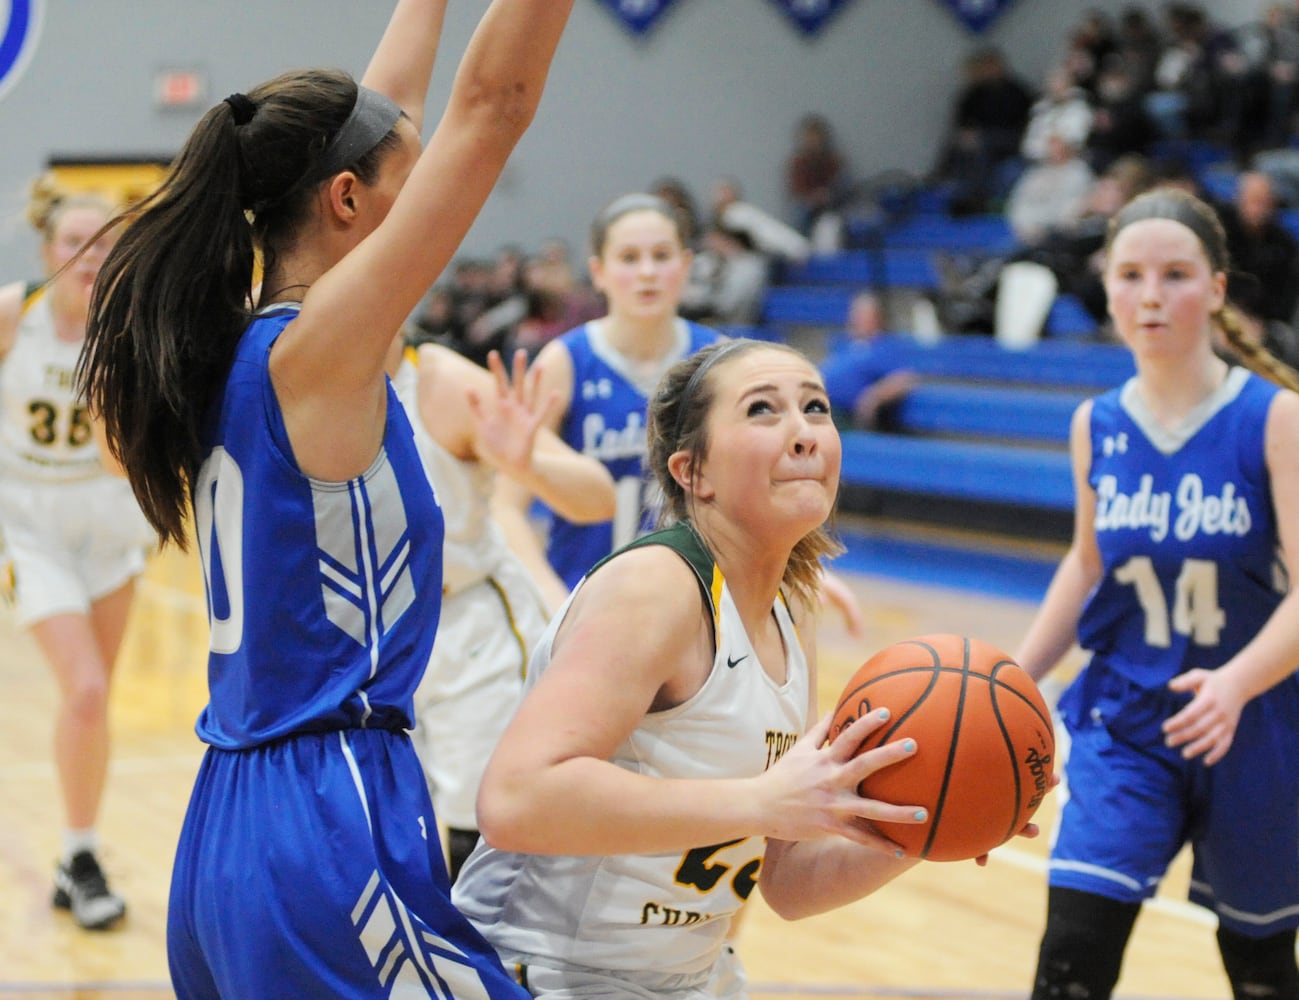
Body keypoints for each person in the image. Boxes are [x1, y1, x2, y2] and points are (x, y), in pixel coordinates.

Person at [76, 0, 574, 994]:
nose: (432, 189)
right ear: (346, 200)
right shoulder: (318, 357)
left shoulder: (249, 352)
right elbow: (496, 104)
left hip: (233, 823)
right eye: (413, 176)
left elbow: (389, 111)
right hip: (326, 813)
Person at [453, 338, 935, 997]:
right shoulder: (656, 586)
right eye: (762, 410)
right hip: (540, 971)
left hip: (686, 977)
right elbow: (516, 800)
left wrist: (932, 822)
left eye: (816, 407)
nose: (802, 432)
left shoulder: (792, 607)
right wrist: (759, 800)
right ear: (692, 472)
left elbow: (788, 884)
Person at [1014, 188, 1299, 1000]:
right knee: (1070, 955)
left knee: (1261, 971)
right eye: (1129, 274)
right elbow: (1085, 564)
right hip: (1125, 719)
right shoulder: (1094, 423)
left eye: (1173, 275)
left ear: (1214, 288)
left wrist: (1238, 682)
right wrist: (1014, 674)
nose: (1149, 295)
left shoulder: (1273, 419)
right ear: (1106, 290)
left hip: (1255, 722)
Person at [390, 340, 614, 880]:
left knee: (483, 828)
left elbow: (597, 496)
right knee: (386, 831)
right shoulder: (304, 375)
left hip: (467, 626)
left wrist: (528, 464)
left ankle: (491, 963)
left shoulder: (441, 383)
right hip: (370, 636)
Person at [0, 177, 154, 931]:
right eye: (76, 243)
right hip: (31, 528)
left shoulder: (131, 331)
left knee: (90, 703)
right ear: (47, 250)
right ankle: (85, 854)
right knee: (86, 689)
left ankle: (75, 854)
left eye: (105, 244)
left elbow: (134, 457)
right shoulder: (11, 316)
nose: (91, 257)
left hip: (112, 525)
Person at [496, 192, 723, 601]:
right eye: (630, 258)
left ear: (686, 265)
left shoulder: (720, 361)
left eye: (661, 255)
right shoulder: (565, 362)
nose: (648, 272)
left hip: (695, 605)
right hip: (586, 599)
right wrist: (548, 595)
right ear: (598, 272)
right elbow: (506, 505)